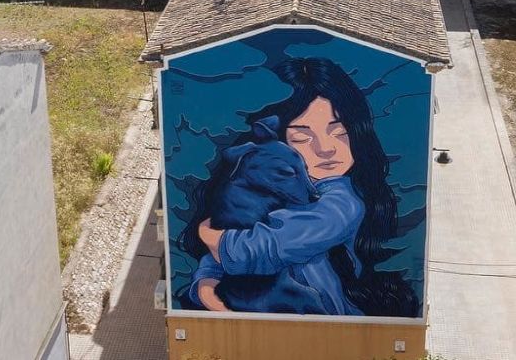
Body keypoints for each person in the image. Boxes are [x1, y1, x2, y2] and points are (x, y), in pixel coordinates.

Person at [178, 57, 420, 317]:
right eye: (302, 137)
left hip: (326, 327)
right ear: (278, 143)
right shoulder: (271, 188)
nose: (325, 148)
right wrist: (206, 282)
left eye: (339, 132)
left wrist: (212, 237)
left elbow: (264, 246)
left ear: (357, 131)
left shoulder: (342, 203)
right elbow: (230, 244)